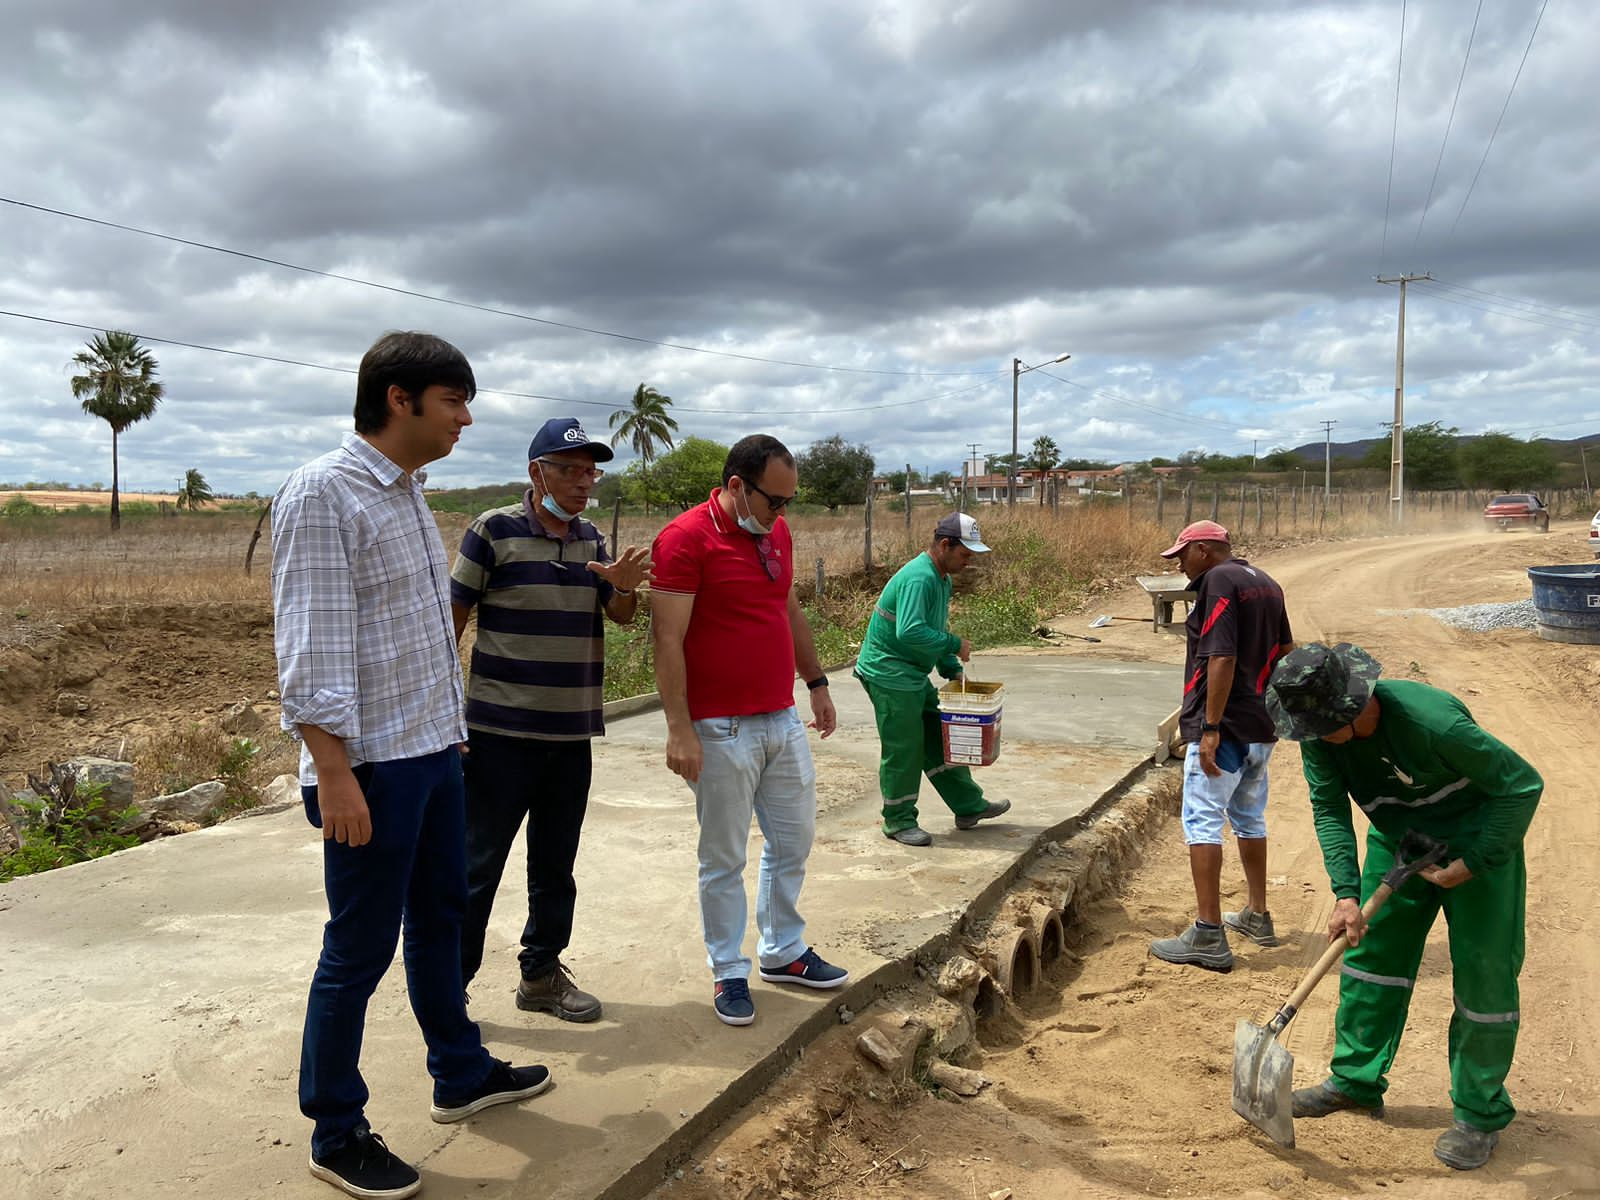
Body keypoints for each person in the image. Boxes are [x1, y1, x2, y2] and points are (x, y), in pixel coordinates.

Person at [272, 331, 550, 1200]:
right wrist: (336, 771)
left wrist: (450, 735)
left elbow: (422, 635)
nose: (466, 418)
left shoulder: (408, 493)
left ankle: (458, 1072)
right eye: (454, 401)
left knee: (441, 919)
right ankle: (336, 1128)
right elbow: (312, 648)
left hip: (432, 752)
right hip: (373, 769)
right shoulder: (326, 494)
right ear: (400, 399)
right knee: (356, 950)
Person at [1265, 642, 1541, 1172]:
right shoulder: (1320, 735)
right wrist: (1346, 894)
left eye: (1319, 729)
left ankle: (1479, 1116)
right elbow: (1328, 807)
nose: (1310, 739)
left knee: (1485, 978)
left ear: (1352, 709)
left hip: (1478, 841)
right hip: (1400, 841)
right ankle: (1355, 1082)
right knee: (1371, 964)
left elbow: (1522, 785)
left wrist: (1476, 861)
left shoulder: (1435, 725)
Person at [451, 417, 652, 1023]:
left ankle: (540, 975)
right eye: (570, 470)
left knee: (555, 865)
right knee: (476, 867)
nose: (584, 482)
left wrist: (621, 587)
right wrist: (445, 724)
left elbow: (619, 614)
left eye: (591, 471)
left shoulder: (592, 538)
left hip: (569, 735)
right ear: (537, 472)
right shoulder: (493, 531)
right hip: (498, 737)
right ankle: (448, 992)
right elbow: (447, 625)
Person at [650, 434, 849, 1026]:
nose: (781, 514)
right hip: (719, 730)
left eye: (789, 502)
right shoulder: (685, 540)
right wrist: (679, 728)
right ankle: (727, 969)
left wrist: (815, 682)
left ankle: (783, 950)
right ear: (737, 486)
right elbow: (666, 639)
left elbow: (785, 608)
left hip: (779, 717)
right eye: (774, 501)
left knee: (793, 841)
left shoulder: (774, 533)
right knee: (724, 857)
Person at [1147, 519, 1293, 972]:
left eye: (1183, 556)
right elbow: (1287, 649)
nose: (1181, 567)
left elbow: (1222, 655)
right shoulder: (1266, 582)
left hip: (1225, 728)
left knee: (1202, 820)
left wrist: (1210, 727)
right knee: (1248, 816)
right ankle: (1256, 915)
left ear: (1205, 551)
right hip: (1260, 724)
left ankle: (1208, 933)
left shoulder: (1216, 581)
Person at [853, 512, 1012, 846]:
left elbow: (931, 629)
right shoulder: (920, 578)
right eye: (965, 554)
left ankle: (968, 806)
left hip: (910, 672)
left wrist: (948, 664)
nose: (968, 561)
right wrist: (955, 644)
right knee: (904, 748)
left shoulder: (942, 579)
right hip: (889, 672)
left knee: (940, 740)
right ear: (944, 545)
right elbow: (909, 630)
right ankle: (897, 821)